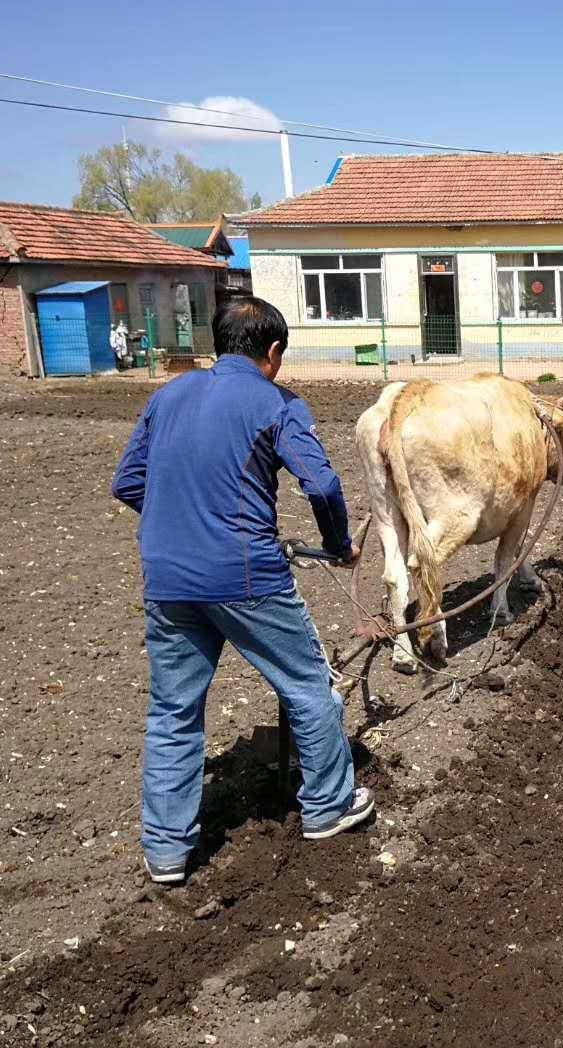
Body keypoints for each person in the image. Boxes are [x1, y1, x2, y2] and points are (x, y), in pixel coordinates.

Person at [111, 296, 372, 886]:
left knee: (174, 712)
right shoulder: (275, 402)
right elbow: (323, 484)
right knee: (309, 686)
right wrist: (339, 544)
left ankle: (166, 851)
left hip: (167, 579)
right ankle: (329, 806)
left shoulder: (167, 395)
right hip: (247, 576)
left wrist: (181, 524)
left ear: (220, 342)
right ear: (273, 353)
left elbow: (127, 480)